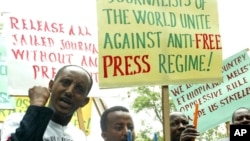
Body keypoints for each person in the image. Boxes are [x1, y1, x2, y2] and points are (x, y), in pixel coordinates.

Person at [1, 65, 93, 141]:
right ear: (51, 86)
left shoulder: (79, 136)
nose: (69, 91)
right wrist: (36, 105)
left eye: (79, 89)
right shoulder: (18, 120)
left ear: (84, 102)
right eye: (66, 82)